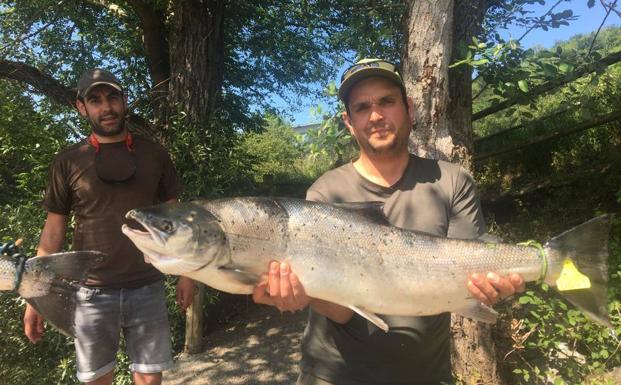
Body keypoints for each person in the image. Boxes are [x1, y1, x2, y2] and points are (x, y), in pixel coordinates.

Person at [253, 58, 525, 385]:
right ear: (349, 122)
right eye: (362, 107)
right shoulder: (324, 193)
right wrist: (305, 294)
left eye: (387, 101)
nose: (376, 115)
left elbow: (470, 277)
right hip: (334, 375)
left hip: (427, 376)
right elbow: (341, 311)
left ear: (408, 108)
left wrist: (491, 286)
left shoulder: (452, 181)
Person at [22, 68, 195, 385]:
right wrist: (34, 295)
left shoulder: (154, 154)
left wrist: (188, 273)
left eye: (113, 97)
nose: (107, 107)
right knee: (96, 380)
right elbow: (52, 233)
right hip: (90, 292)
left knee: (149, 380)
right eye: (96, 99)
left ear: (124, 100)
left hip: (148, 285)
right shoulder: (69, 161)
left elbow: (177, 220)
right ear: (81, 107)